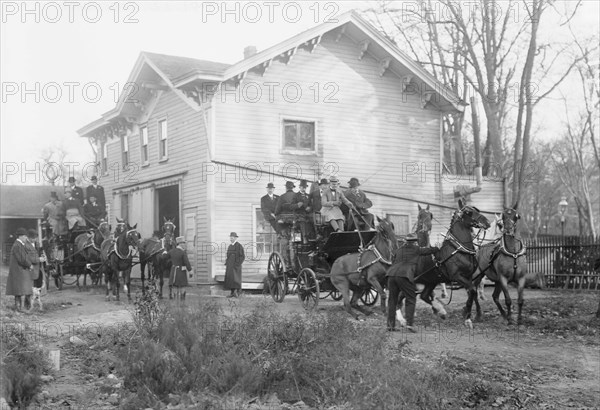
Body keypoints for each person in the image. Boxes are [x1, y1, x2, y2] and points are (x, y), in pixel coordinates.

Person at [386, 233, 439, 333]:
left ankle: (390, 326)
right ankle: (409, 324)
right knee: (411, 298)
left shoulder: (399, 250)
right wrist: (437, 248)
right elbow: (429, 250)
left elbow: (393, 260)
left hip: (391, 275)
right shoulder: (416, 249)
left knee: (392, 300)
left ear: (406, 241)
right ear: (415, 241)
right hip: (404, 275)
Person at [6, 228, 34, 311]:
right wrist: (30, 265)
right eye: (25, 236)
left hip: (19, 270)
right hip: (19, 271)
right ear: (21, 236)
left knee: (19, 290)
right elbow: (22, 259)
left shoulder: (18, 244)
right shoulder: (17, 245)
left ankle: (20, 308)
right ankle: (20, 308)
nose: (26, 238)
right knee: (20, 290)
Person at [168, 236, 192, 301]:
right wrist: (190, 270)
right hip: (181, 273)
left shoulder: (171, 252)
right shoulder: (183, 252)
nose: (185, 245)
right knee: (182, 287)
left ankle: (175, 303)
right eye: (184, 243)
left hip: (173, 272)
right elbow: (186, 262)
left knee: (175, 287)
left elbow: (167, 261)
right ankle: (182, 304)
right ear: (180, 244)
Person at [26, 229, 45, 311]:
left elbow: (39, 252)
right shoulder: (25, 246)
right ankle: (29, 304)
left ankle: (37, 302)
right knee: (30, 286)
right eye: (33, 238)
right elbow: (28, 258)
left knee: (39, 284)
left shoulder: (37, 244)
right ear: (29, 237)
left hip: (38, 268)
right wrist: (39, 259)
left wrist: (42, 255)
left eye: (35, 238)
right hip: (30, 269)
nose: (35, 239)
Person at [224, 232, 245, 298]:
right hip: (230, 265)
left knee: (236, 279)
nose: (231, 239)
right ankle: (232, 293)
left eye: (232, 237)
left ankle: (238, 293)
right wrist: (227, 263)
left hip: (236, 266)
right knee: (230, 279)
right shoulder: (230, 246)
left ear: (236, 238)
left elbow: (242, 256)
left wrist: (237, 264)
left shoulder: (239, 246)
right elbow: (228, 255)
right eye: (230, 237)